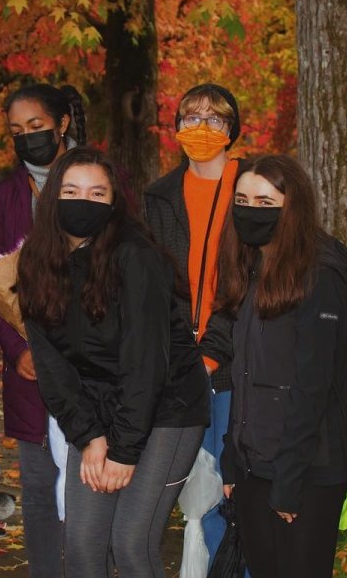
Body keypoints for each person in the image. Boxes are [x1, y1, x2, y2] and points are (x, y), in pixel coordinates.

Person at [18, 147, 211, 578]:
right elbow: (52, 369)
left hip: (166, 407)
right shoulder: (36, 262)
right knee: (83, 545)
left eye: (96, 192)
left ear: (113, 203)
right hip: (95, 408)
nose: (82, 201)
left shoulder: (135, 257)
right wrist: (89, 437)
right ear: (52, 198)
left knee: (130, 542)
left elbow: (145, 364)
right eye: (70, 190)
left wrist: (123, 450)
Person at [217, 154, 347, 578]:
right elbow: (245, 374)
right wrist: (232, 459)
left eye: (265, 202)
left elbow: (311, 388)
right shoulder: (252, 268)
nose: (250, 210)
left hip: (305, 472)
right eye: (242, 199)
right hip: (253, 465)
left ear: (292, 207)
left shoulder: (321, 276)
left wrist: (289, 483)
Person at [0, 83, 86, 578]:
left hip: (94, 367)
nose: (27, 139)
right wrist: (18, 347)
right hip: (31, 371)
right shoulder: (3, 198)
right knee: (41, 490)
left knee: (93, 488)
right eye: (17, 131)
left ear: (62, 124)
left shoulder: (100, 179)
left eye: (37, 127)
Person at [143, 83, 240, 575]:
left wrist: (213, 350)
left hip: (233, 366)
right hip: (177, 365)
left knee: (231, 485)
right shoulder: (158, 198)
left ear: (231, 129)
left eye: (214, 117)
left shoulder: (251, 189)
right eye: (191, 116)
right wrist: (182, 352)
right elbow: (152, 285)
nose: (202, 128)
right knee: (188, 491)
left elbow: (253, 282)